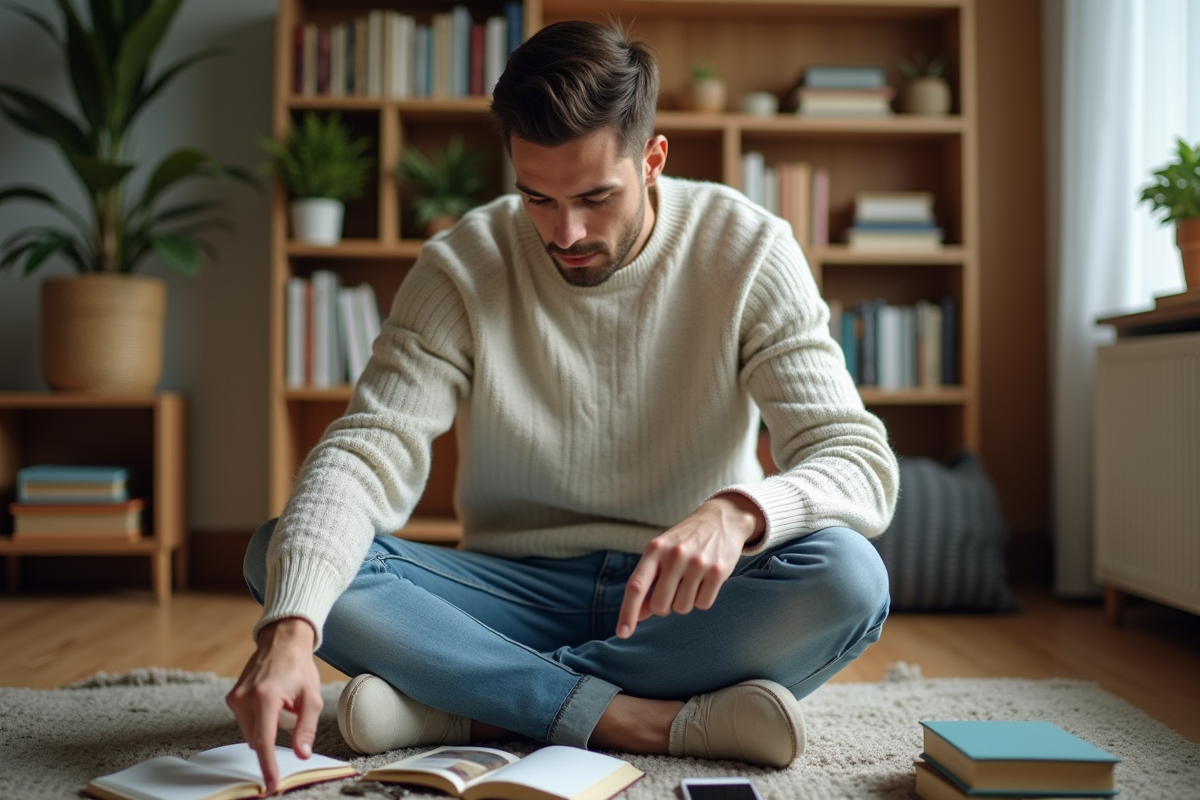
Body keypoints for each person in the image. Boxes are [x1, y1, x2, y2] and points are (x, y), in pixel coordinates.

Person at [228, 19, 898, 794]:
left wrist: (740, 512)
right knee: (283, 552)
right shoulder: (464, 264)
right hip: (506, 592)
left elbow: (860, 464)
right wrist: (290, 633)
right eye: (537, 198)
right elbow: (364, 450)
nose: (566, 232)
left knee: (849, 577)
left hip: (683, 602)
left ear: (653, 160)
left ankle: (465, 711)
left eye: (594, 196)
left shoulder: (747, 249)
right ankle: (639, 717)